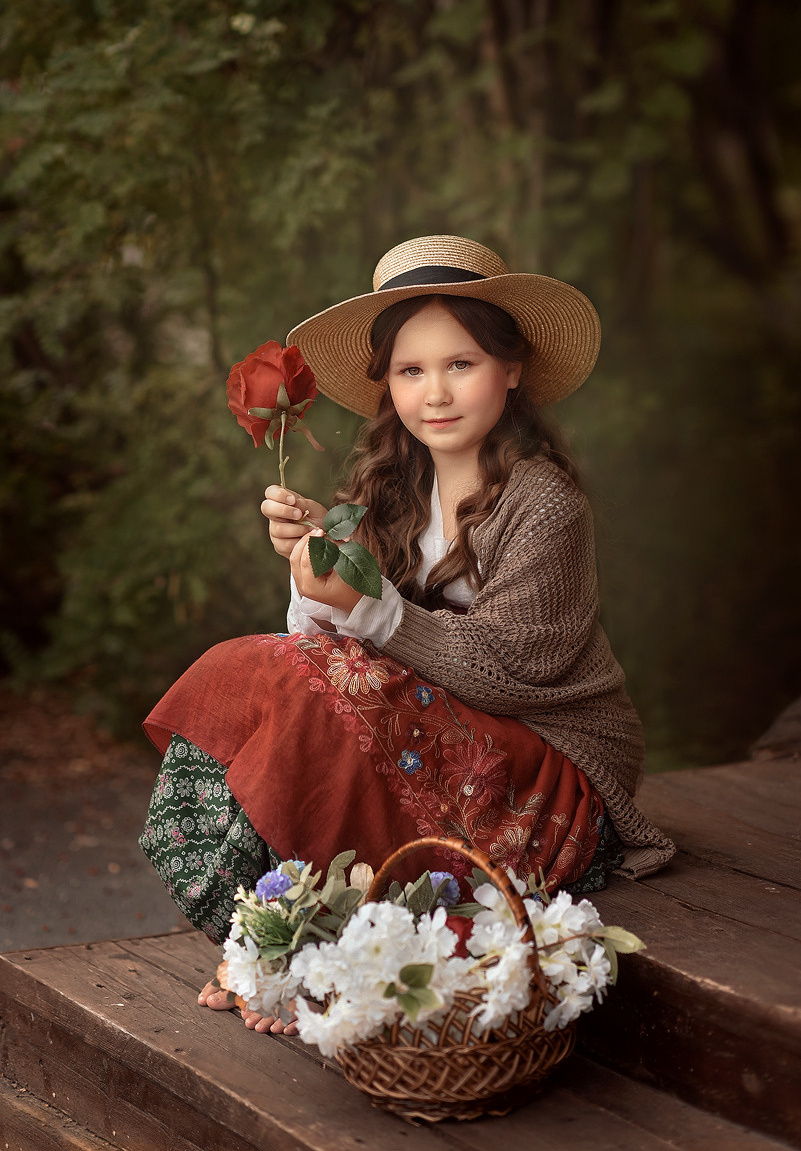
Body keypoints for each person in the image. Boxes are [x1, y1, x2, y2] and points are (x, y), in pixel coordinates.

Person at [140, 235, 675, 1034]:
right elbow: (323, 653)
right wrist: (315, 574)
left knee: (322, 684)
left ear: (512, 368)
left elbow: (506, 669)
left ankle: (308, 954)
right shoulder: (386, 489)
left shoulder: (544, 506)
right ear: (387, 385)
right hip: (440, 727)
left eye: (460, 363)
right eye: (410, 370)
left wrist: (366, 603)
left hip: (548, 760)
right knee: (258, 671)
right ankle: (271, 935)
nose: (436, 392)